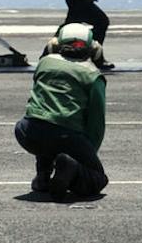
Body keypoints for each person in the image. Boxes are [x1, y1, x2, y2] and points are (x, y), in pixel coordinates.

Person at [15, 22, 109, 199]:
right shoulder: (93, 75)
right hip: (66, 136)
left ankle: (42, 177)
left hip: (27, 131)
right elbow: (96, 123)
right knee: (97, 179)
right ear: (94, 49)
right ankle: (71, 169)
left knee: (46, 128)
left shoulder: (44, 63)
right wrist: (86, 156)